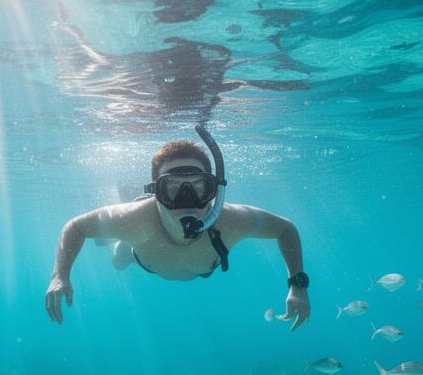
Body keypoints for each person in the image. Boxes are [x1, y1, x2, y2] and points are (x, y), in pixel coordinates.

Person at [45, 126, 311, 329]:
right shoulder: (134, 220)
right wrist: (60, 275)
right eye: (172, 190)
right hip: (140, 253)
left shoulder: (232, 220)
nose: (187, 202)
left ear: (214, 190)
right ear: (156, 193)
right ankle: (115, 235)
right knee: (118, 260)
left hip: (167, 257)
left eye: (198, 187)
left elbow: (285, 229)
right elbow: (76, 227)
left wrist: (297, 285)